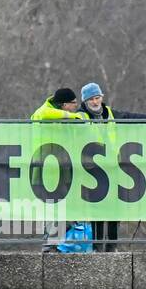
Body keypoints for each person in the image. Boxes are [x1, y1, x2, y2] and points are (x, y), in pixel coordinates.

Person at [77, 82, 146, 252]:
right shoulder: (79, 116)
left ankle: (112, 246)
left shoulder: (110, 113)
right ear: (85, 101)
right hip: (92, 169)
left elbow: (132, 117)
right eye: (91, 99)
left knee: (114, 208)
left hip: (113, 167)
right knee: (97, 209)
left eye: (97, 97)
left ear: (102, 98)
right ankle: (97, 246)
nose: (95, 101)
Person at [32, 88, 89, 252]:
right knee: (52, 207)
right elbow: (45, 114)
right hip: (45, 170)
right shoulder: (44, 111)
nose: (76, 106)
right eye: (73, 103)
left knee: (67, 210)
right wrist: (74, 117)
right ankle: (50, 245)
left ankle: (62, 244)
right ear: (64, 105)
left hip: (62, 170)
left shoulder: (63, 115)